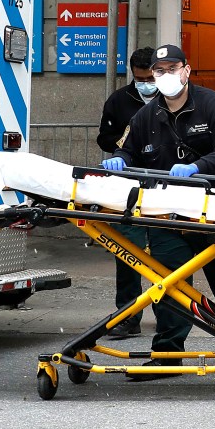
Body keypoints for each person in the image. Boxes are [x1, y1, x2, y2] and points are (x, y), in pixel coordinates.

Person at [102, 43, 215, 380]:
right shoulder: (146, 116)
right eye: (159, 72)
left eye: (171, 69)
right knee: (168, 282)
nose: (164, 77)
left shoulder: (214, 106)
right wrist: (122, 162)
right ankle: (167, 355)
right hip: (167, 214)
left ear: (187, 71)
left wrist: (198, 167)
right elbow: (131, 152)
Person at [95, 46, 156, 340]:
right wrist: (124, 146)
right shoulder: (120, 101)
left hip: (163, 183)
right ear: (132, 74)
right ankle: (128, 314)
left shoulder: (173, 99)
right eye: (140, 78)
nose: (146, 83)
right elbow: (104, 137)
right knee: (128, 252)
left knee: (167, 253)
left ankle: (170, 312)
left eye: (150, 77)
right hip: (128, 184)